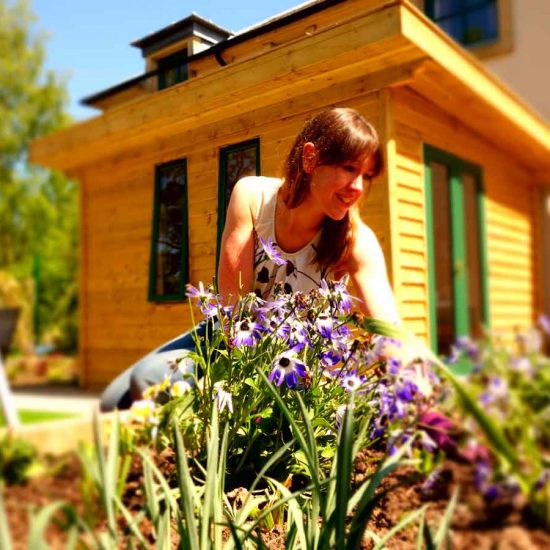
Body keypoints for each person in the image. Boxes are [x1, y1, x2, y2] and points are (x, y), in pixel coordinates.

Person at [100, 107, 400, 412]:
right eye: (349, 168)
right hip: (228, 341)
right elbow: (232, 310)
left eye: (366, 176)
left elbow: (390, 336)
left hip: (296, 367)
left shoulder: (356, 241)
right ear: (310, 158)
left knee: (145, 386)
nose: (358, 187)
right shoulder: (253, 198)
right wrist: (220, 383)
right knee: (118, 398)